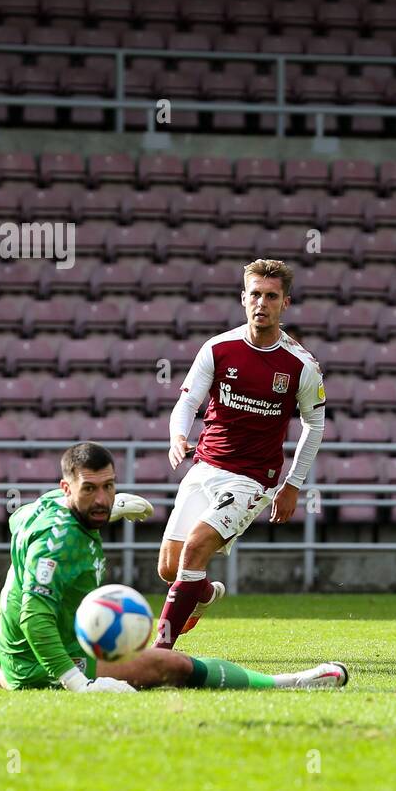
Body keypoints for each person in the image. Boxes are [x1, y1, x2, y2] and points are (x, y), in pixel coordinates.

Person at [0, 442, 348, 692]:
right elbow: (35, 613)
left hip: (15, 646)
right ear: (67, 486)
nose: (102, 497)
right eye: (90, 490)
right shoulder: (58, 541)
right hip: (47, 652)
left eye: (108, 486)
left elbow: (18, 523)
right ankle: (289, 683)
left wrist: (112, 509)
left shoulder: (43, 507)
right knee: (171, 666)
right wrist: (77, 683)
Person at [157, 258, 325, 650]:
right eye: (255, 294)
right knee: (170, 568)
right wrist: (177, 436)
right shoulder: (218, 348)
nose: (261, 303)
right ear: (243, 298)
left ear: (285, 303)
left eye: (271, 296)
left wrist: (292, 486)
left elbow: (314, 425)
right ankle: (204, 595)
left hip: (252, 479)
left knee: (196, 549)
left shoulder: (301, 366)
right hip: (205, 466)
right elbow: (186, 403)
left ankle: (158, 652)